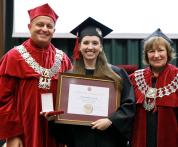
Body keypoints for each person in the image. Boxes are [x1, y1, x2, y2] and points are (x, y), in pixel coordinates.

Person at [0, 3, 72, 147]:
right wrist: (12, 135)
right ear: (29, 27)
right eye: (40, 25)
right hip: (25, 131)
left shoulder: (63, 59)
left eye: (49, 26)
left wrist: (68, 135)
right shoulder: (13, 57)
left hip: (56, 132)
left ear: (54, 30)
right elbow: (4, 101)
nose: (44, 29)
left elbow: (70, 100)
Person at [55, 17, 136, 147]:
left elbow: (129, 104)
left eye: (95, 43)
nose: (90, 47)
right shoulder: (70, 77)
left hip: (108, 139)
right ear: (79, 46)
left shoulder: (116, 74)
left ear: (101, 46)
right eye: (86, 43)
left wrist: (110, 121)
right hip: (79, 139)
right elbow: (63, 111)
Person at [129, 28, 178, 147]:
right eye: (151, 51)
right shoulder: (134, 79)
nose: (156, 55)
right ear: (147, 55)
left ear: (168, 52)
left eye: (160, 50)